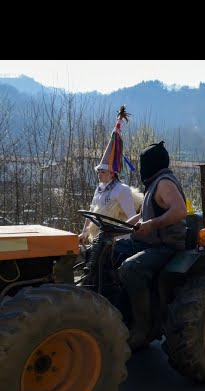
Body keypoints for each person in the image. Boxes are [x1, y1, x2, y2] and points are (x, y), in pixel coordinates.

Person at [113, 140, 188, 350]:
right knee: (109, 253)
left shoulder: (164, 182)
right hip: (149, 243)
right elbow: (141, 216)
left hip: (165, 247)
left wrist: (152, 224)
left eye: (143, 162)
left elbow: (180, 210)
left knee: (131, 268)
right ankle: (119, 314)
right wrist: (115, 228)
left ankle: (142, 328)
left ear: (151, 163)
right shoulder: (153, 184)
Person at [78, 106, 142, 243]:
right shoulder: (99, 189)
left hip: (118, 240)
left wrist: (118, 235)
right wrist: (84, 232)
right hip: (101, 239)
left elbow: (132, 216)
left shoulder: (121, 190)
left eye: (103, 171)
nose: (99, 174)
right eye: (98, 171)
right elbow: (92, 211)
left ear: (112, 173)